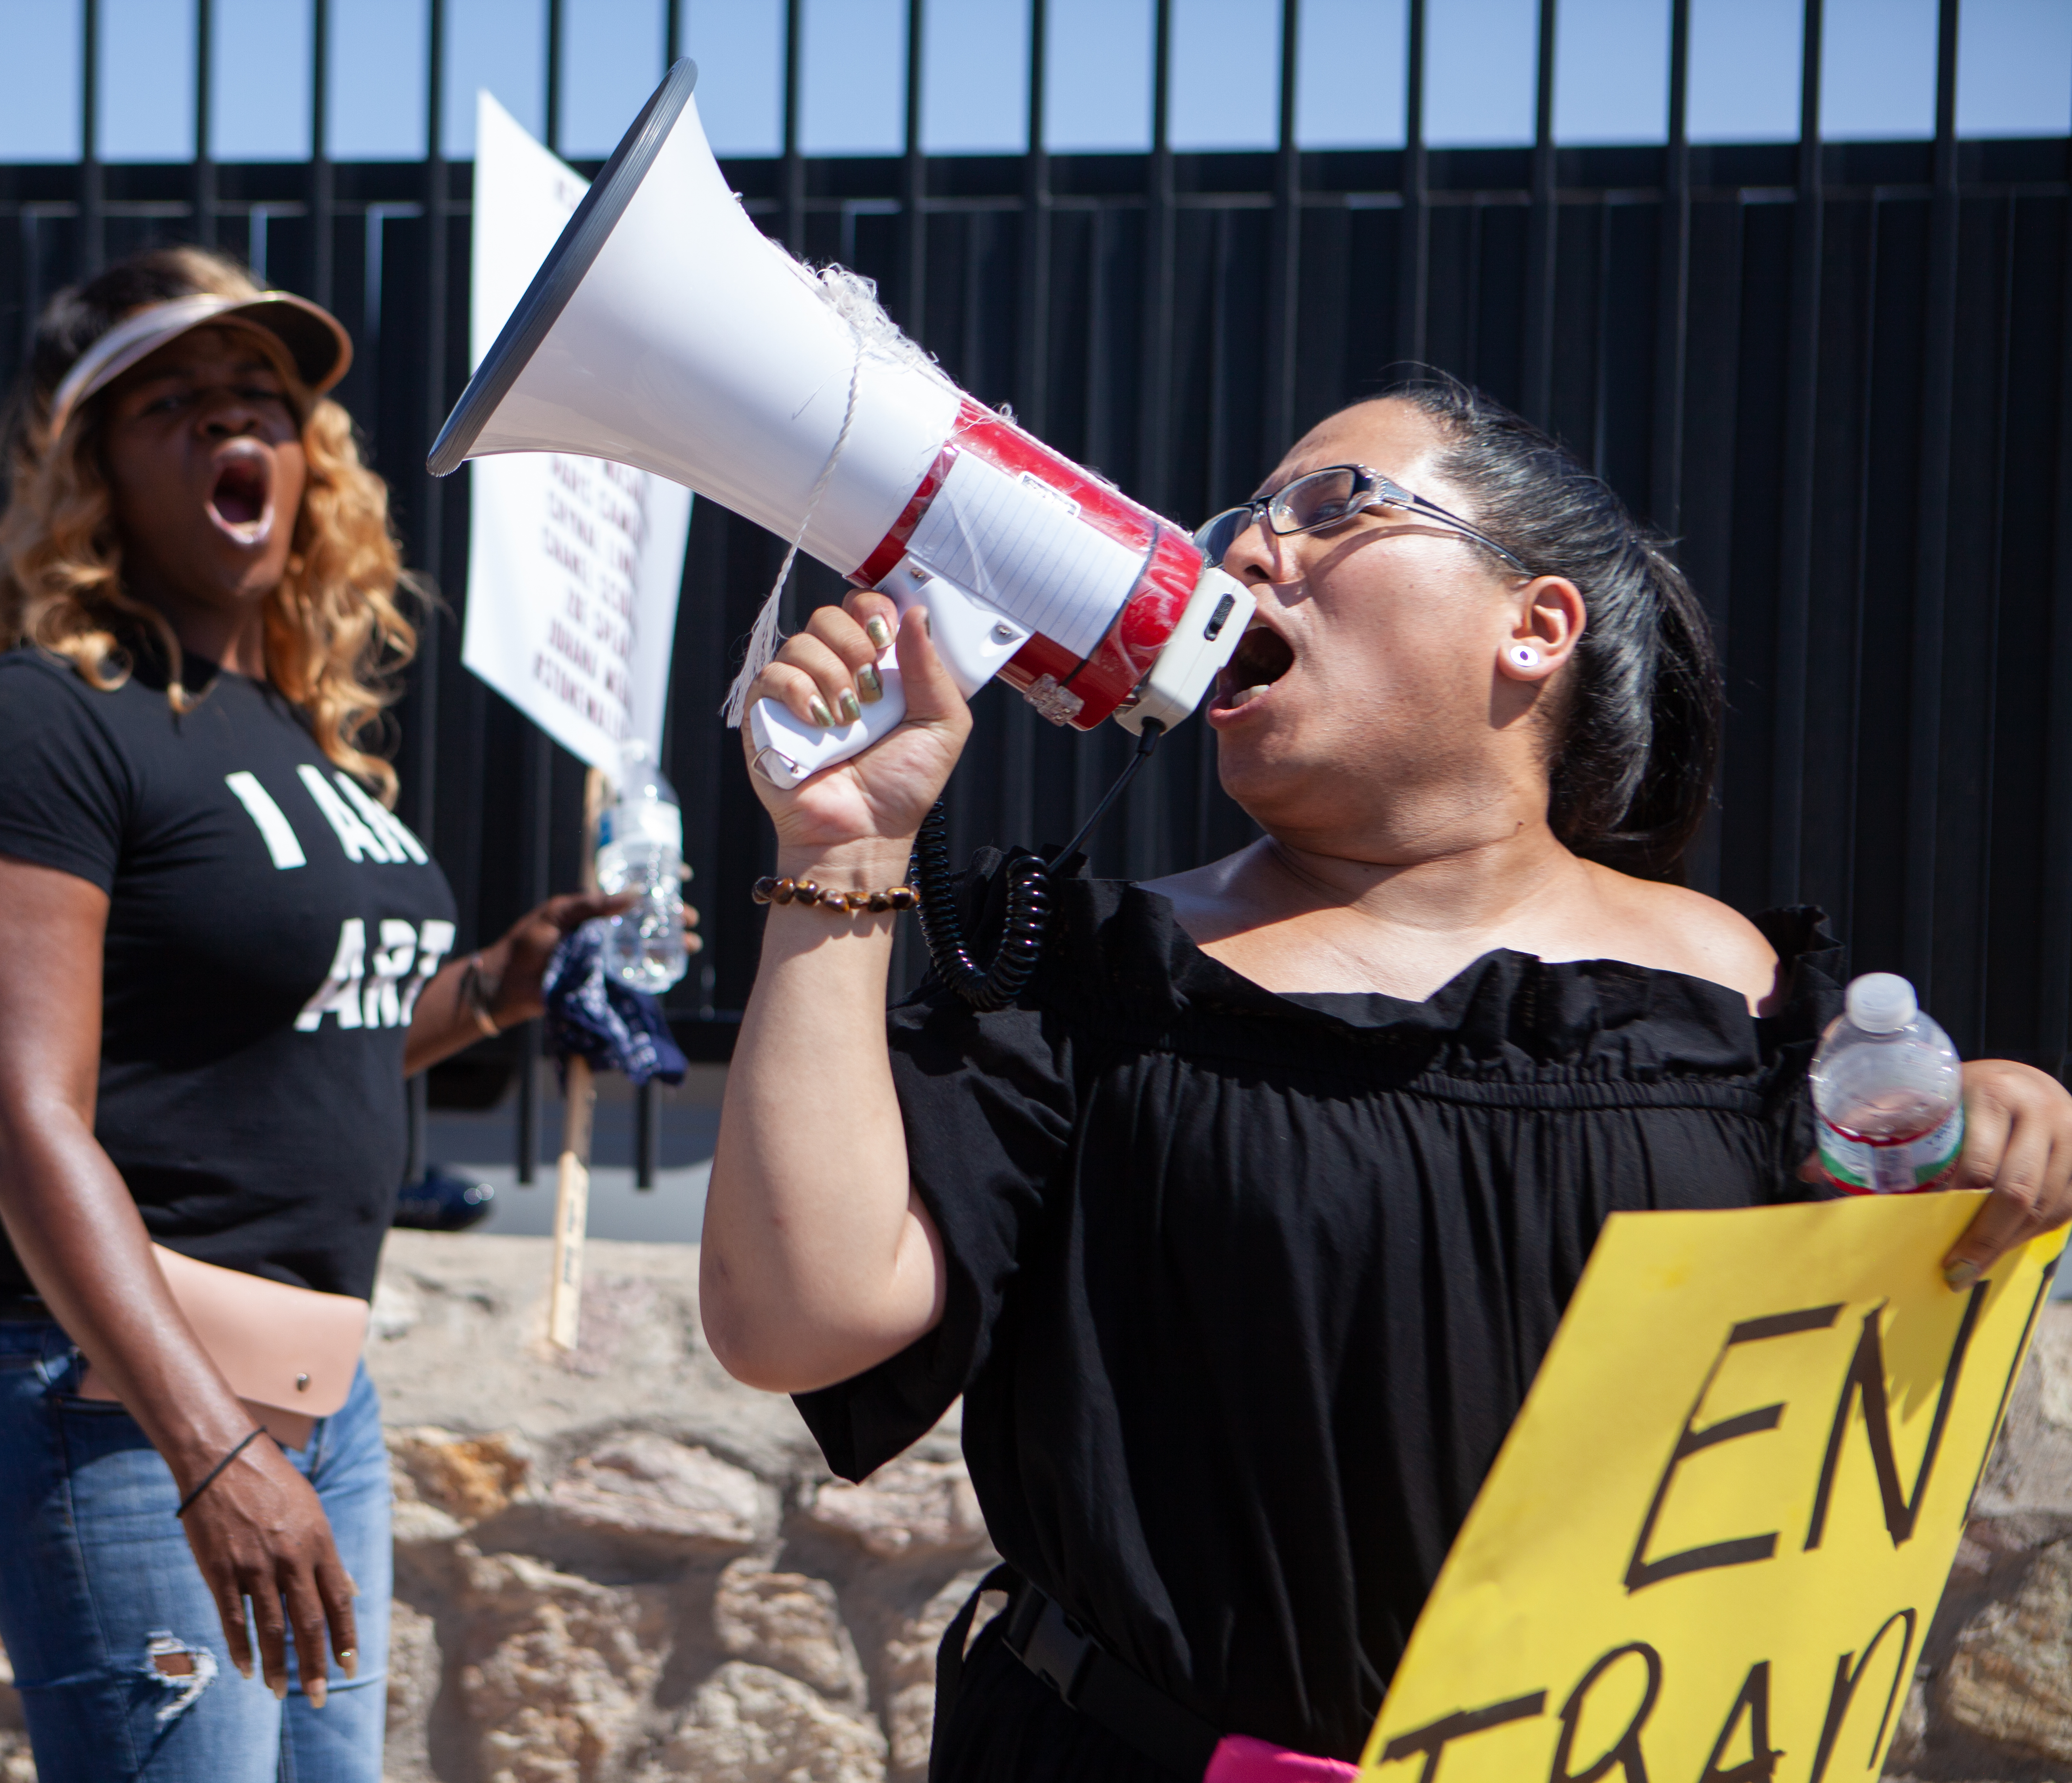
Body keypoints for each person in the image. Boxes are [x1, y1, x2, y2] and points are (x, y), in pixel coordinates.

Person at [702, 376, 2072, 1781]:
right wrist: (842, 855)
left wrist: (2006, 1131)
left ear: (1535, 627)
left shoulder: (1766, 1012)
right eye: (1242, 519)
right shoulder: (1089, 976)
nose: (1241, 551)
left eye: (1328, 506)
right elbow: (795, 1321)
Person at [0, 246, 672, 1783]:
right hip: (116, 1399)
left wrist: (497, 988)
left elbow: (274, 1049)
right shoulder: (42, 717)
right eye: (174, 403)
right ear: (93, 468)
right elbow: (24, 1120)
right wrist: (214, 1450)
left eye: (260, 400)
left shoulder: (290, 731)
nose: (231, 428)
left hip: (317, 1391)